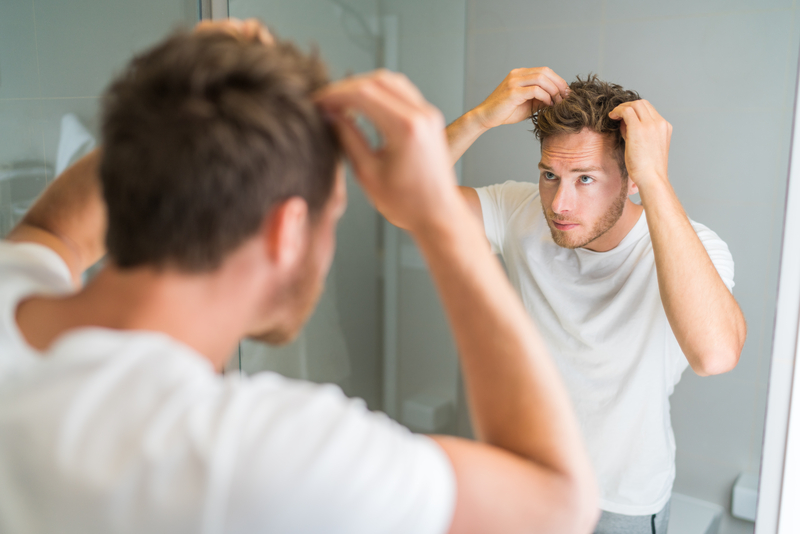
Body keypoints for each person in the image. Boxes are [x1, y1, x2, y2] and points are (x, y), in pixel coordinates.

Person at [0, 20, 599, 534]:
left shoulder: (11, 291)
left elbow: (54, 231)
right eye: (332, 212)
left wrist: (186, 99)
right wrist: (437, 215)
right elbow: (558, 500)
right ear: (287, 230)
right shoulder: (255, 453)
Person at [446, 69, 747, 533]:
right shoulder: (518, 211)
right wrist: (478, 119)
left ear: (630, 180)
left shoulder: (693, 246)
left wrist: (655, 179)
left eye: (585, 178)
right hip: (526, 483)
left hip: (619, 505)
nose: (560, 204)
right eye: (550, 174)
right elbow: (403, 202)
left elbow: (715, 354)